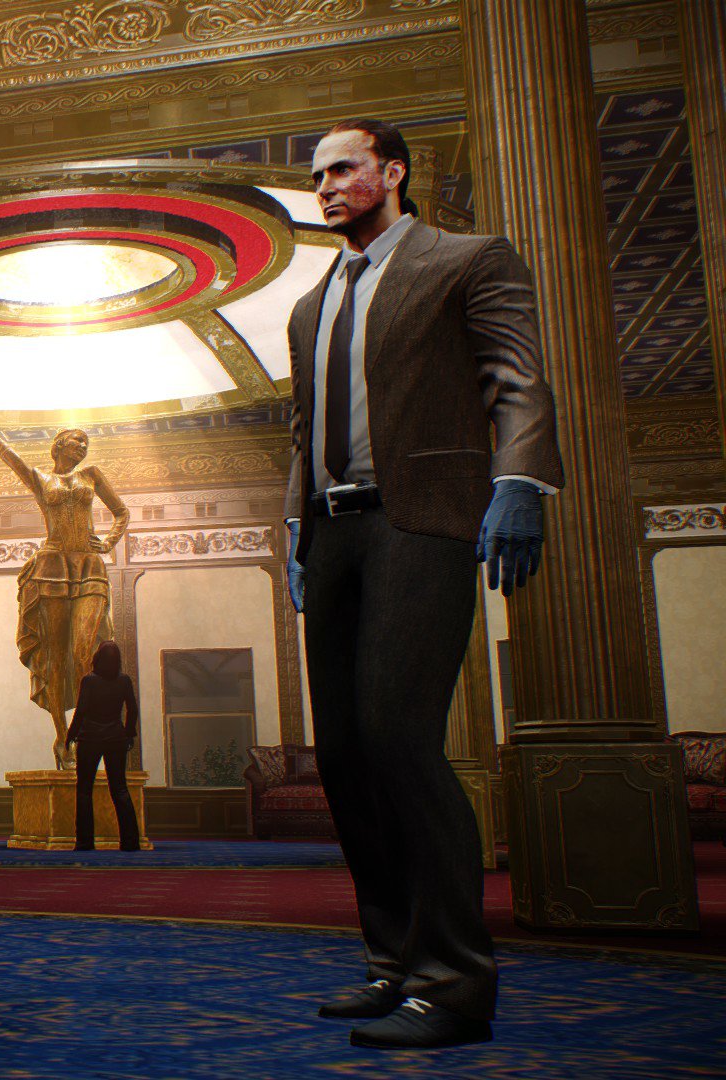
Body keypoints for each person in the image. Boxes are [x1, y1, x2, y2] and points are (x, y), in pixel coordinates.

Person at [283, 119, 563, 1049]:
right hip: (332, 533)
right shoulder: (310, 303)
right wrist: (295, 526)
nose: (326, 186)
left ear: (393, 172)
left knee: (400, 738)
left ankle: (454, 984)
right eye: (317, 176)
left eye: (344, 169)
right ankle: (392, 964)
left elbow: (516, 378)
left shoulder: (467, 259)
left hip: (421, 520)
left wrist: (519, 483)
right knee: (345, 756)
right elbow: (302, 429)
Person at [0, 410, 129, 769]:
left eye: (86, 443)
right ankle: (62, 737)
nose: (83, 446)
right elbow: (7, 454)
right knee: (54, 656)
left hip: (89, 566)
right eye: (77, 441)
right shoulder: (41, 479)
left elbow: (122, 512)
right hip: (52, 567)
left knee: (84, 652)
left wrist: (109, 542)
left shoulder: (91, 475)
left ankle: (83, 730)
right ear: (59, 445)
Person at [67, 641, 140, 852]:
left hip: (90, 738)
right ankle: (130, 842)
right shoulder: (124, 680)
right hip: (116, 737)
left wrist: (71, 734)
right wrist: (129, 733)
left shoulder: (89, 680)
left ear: (97, 657)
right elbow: (132, 709)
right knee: (119, 789)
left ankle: (84, 842)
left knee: (84, 790)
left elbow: (81, 710)